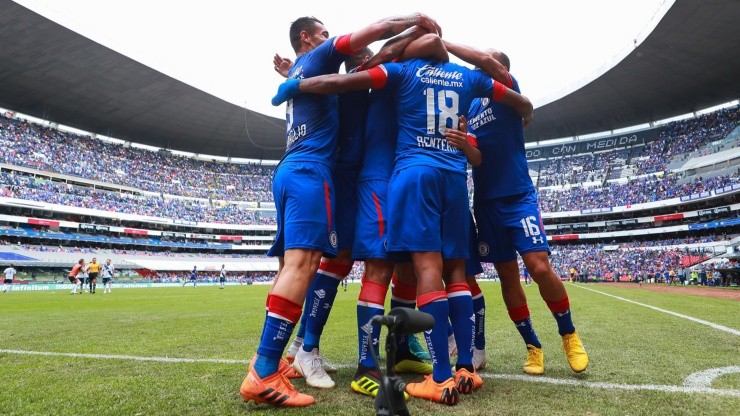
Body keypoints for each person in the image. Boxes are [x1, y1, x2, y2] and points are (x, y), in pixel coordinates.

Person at [271, 34, 533, 405]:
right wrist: (417, 30)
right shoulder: (388, 75)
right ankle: (349, 361)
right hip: (376, 179)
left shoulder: (400, 77)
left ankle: (402, 347)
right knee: (370, 265)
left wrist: (291, 81)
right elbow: (367, 65)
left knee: (406, 267)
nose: (373, 55)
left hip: (401, 178)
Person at [241, 13, 443, 408]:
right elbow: (377, 46)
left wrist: (290, 76)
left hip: (320, 173)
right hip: (335, 176)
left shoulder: (342, 81)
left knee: (318, 263)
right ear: (306, 38)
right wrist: (414, 23)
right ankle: (292, 354)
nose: (336, 41)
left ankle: (290, 353)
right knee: (320, 265)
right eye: (323, 34)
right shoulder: (349, 77)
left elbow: (314, 86)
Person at [465, 50, 588, 375]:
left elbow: (511, 91)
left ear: (502, 69)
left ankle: (569, 335)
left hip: (518, 197)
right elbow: (475, 156)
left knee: (539, 266)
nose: (479, 66)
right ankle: (533, 347)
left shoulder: (508, 91)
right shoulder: (472, 105)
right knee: (507, 276)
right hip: (487, 203)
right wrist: (465, 145)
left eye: (486, 63)